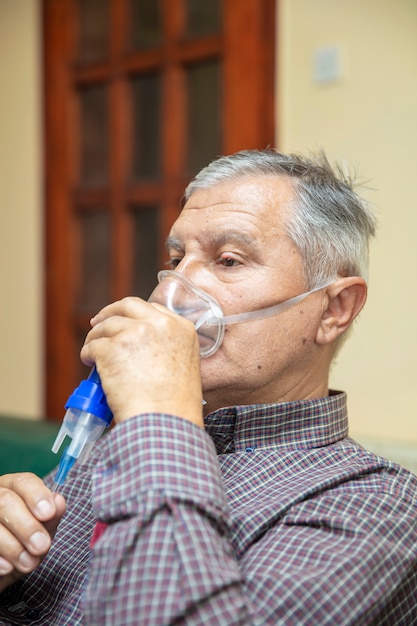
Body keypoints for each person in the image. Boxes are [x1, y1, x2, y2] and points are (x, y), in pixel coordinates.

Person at [0, 149, 416, 625]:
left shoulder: (377, 508)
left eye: (229, 260)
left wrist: (158, 414)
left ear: (334, 309)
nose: (170, 292)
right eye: (176, 258)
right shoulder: (114, 442)